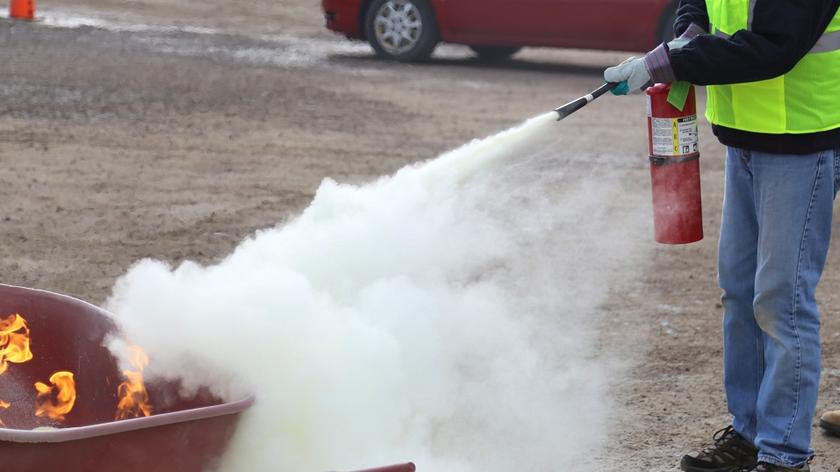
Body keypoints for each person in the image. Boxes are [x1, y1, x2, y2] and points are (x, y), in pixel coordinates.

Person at [604, 1, 840, 471]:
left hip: (802, 140)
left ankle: (785, 454)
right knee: (739, 291)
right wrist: (688, 28)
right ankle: (750, 437)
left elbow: (777, 47)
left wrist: (673, 60)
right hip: (745, 136)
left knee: (781, 301)